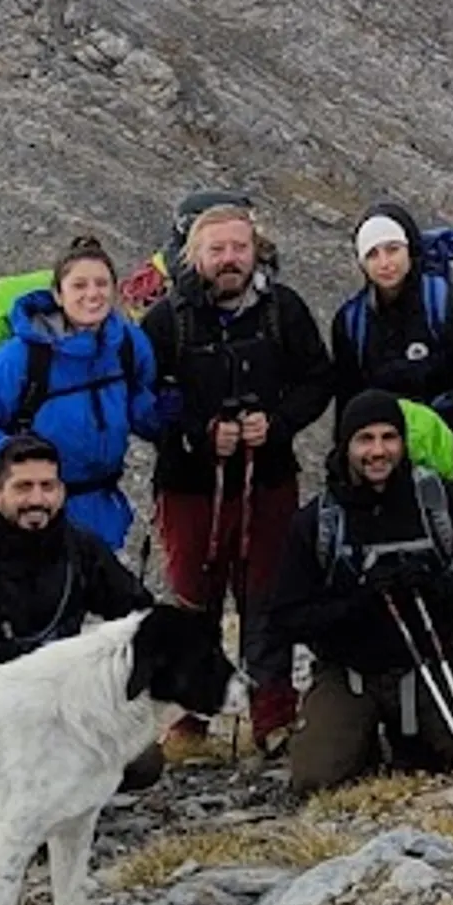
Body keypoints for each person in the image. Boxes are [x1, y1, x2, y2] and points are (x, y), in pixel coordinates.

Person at [140, 198, 330, 749]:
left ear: (256, 251)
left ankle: (272, 713)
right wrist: (198, 432)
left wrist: (279, 422)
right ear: (193, 254)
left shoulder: (283, 311)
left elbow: (318, 380)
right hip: (188, 485)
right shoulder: (166, 320)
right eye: (217, 249)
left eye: (239, 248)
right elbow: (145, 401)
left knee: (266, 595)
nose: (230, 259)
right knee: (193, 595)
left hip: (268, 478)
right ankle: (188, 713)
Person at [259, 391, 453, 793]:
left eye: (389, 438)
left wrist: (434, 586)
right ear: (346, 445)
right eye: (365, 439)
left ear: (404, 443)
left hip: (430, 667)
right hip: (350, 673)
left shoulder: (443, 503)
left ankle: (410, 738)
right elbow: (286, 616)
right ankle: (363, 738)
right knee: (314, 779)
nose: (378, 451)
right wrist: (356, 604)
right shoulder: (317, 521)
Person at [0, 234, 161, 556]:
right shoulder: (20, 357)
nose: (93, 294)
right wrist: (14, 451)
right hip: (33, 513)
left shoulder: (129, 345)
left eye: (102, 284)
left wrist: (173, 415)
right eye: (79, 285)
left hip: (101, 512)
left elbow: (139, 408)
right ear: (58, 295)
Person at [0, 436, 151, 679]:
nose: (37, 500)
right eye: (23, 487)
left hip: (65, 697)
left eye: (47, 486)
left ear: (61, 492)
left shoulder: (80, 549)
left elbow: (139, 612)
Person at [329, 212, 453, 506]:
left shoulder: (452, 307)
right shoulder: (350, 322)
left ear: (410, 248)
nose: (385, 263)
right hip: (383, 466)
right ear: (361, 263)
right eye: (373, 254)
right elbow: (349, 402)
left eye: (392, 249)